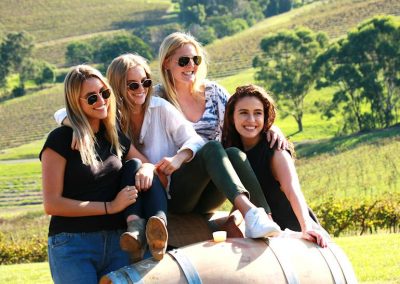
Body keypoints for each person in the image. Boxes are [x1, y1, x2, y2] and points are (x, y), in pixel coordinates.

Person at [155, 31, 286, 236]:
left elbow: (242, 118)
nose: (191, 66)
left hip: (211, 191)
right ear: (166, 63)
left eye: (195, 59)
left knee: (234, 154)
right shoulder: (158, 99)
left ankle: (266, 219)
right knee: (213, 148)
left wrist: (270, 127)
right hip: (176, 191)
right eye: (183, 61)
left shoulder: (214, 93)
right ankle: (251, 214)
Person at [40, 65, 146, 283]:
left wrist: (147, 168)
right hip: (73, 245)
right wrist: (111, 207)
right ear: (75, 103)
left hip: (118, 243)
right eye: (91, 98)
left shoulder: (114, 136)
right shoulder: (60, 140)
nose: (101, 101)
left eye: (104, 93)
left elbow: (145, 164)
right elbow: (52, 204)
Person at [221, 84, 328, 248]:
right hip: (265, 235)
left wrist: (307, 228)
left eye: (258, 113)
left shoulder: (275, 149)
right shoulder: (232, 153)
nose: (251, 120)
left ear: (265, 117)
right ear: (231, 117)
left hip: (295, 229)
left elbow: (292, 189)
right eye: (244, 113)